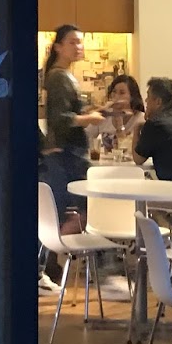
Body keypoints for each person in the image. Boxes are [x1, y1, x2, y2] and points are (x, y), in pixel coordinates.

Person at [42, 25, 103, 219]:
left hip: (68, 152)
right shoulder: (59, 77)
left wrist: (94, 111)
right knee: (84, 208)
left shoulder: (62, 75)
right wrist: (89, 118)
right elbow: (60, 118)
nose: (78, 47)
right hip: (67, 152)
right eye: (72, 42)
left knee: (77, 208)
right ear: (58, 47)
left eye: (80, 42)